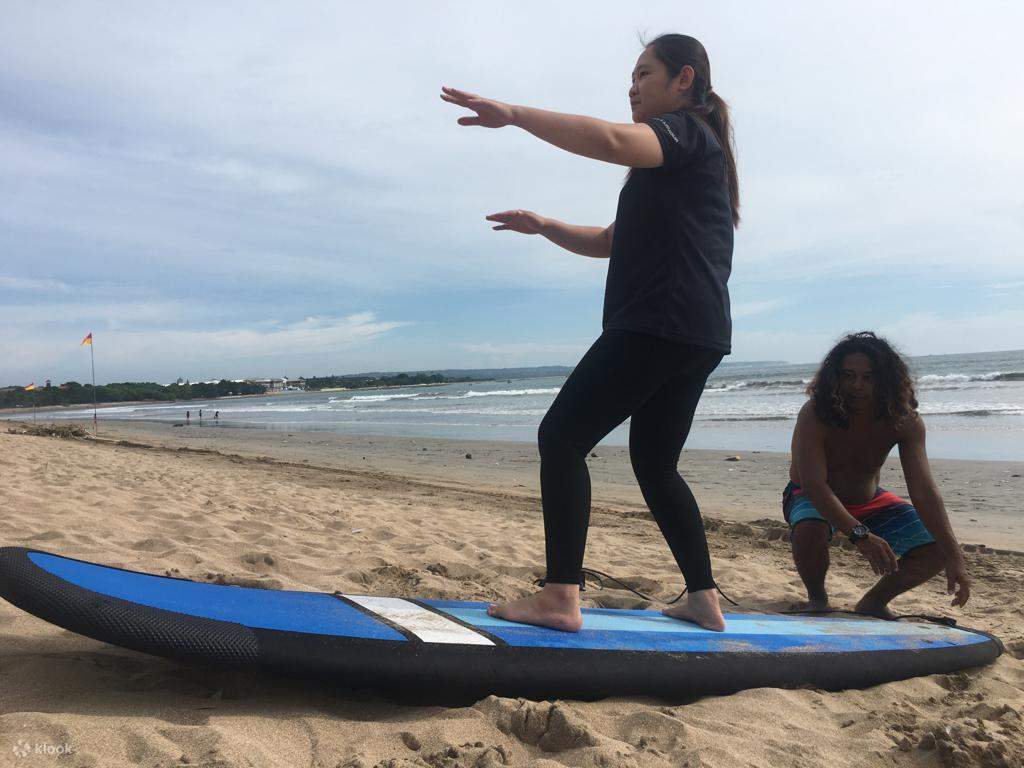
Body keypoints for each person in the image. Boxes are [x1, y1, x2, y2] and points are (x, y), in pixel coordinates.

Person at [441, 33, 738, 632]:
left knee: (561, 438)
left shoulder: (684, 132)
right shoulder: (687, 160)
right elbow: (609, 242)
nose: (632, 87)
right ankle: (703, 598)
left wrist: (514, 114)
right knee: (655, 464)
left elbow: (609, 140)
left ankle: (559, 595)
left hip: (659, 321)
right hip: (698, 332)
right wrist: (545, 225)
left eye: (644, 73)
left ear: (684, 78)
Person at [785, 332, 971, 618]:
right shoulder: (816, 413)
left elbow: (924, 491)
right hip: (810, 497)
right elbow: (813, 485)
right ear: (835, 377)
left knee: (937, 548)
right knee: (810, 527)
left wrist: (954, 555)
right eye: (849, 376)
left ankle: (873, 602)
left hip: (870, 501)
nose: (858, 386)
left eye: (869, 377)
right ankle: (817, 598)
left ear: (885, 379)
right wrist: (860, 535)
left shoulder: (903, 420)